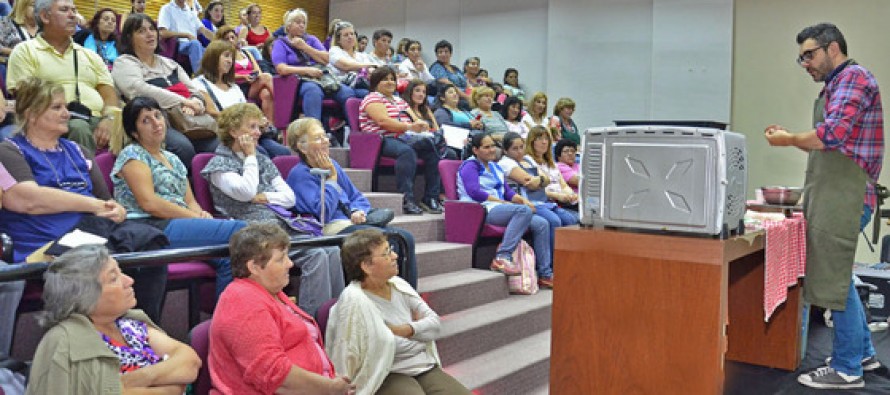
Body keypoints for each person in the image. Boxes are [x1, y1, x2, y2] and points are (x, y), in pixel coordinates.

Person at [0, 77, 166, 358]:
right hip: (45, 245)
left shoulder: (78, 151)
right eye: (56, 107)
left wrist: (116, 210)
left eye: (65, 106)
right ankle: (103, 354)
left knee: (151, 246)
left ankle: (139, 341)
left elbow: (107, 202)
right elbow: (26, 199)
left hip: (93, 232)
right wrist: (93, 205)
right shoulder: (8, 151)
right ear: (31, 114)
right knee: (102, 263)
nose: (66, 113)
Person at [764, 23, 883, 390]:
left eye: (809, 55)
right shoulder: (836, 85)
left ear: (833, 49)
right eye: (801, 57)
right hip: (836, 195)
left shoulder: (853, 78)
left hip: (846, 197)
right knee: (839, 277)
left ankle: (847, 369)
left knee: (833, 281)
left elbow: (832, 135)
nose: (805, 64)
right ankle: (862, 352)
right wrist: (789, 138)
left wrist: (787, 140)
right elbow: (828, 140)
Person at [202, 104, 345, 316]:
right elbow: (246, 192)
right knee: (315, 255)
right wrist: (250, 157)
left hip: (278, 226)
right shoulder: (219, 165)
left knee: (331, 249)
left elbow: (289, 198)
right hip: (251, 233)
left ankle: (336, 315)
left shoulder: (263, 160)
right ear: (233, 131)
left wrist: (265, 196)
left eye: (258, 127)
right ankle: (312, 318)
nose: (258, 132)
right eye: (252, 127)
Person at [110, 96, 247, 297]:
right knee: (241, 230)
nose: (156, 123)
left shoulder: (173, 158)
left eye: (157, 116)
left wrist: (201, 215)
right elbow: (150, 203)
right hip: (149, 226)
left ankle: (226, 314)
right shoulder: (132, 155)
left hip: (177, 221)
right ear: (134, 132)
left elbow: (189, 201)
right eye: (146, 120)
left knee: (230, 259)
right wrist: (195, 218)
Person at [26, 245, 201, 394]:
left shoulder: (131, 325)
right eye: (114, 278)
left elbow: (190, 362)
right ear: (86, 295)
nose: (129, 280)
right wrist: (170, 385)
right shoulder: (64, 342)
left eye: (121, 272)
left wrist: (133, 381)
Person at [209, 223, 357, 395]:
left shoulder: (273, 292)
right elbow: (275, 377)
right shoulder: (241, 301)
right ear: (254, 267)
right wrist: (330, 387)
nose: (290, 263)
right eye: (281, 259)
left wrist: (330, 379)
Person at [326, 228, 472, 395]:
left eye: (391, 250)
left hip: (420, 364)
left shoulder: (399, 285)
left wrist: (404, 330)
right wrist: (419, 335)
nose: (395, 256)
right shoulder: (353, 301)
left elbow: (435, 325)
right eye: (386, 253)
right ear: (366, 266)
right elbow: (382, 346)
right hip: (386, 371)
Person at [286, 117, 419, 288]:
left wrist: (357, 210)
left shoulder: (332, 165)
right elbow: (322, 213)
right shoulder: (299, 175)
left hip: (349, 222)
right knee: (387, 242)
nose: (326, 141)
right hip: (328, 229)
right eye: (318, 138)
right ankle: (381, 292)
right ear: (302, 147)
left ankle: (406, 294)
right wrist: (332, 180)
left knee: (405, 238)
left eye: (325, 136)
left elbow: (356, 196)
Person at [6, 0, 120, 153]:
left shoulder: (90, 55)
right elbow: (25, 97)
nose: (73, 15)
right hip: (54, 120)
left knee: (136, 125)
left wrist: (110, 119)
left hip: (96, 118)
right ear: (45, 16)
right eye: (65, 10)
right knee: (78, 127)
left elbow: (109, 94)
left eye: (74, 10)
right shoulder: (25, 51)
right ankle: (84, 169)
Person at [113, 13, 218, 172]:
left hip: (188, 118)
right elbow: (138, 90)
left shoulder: (170, 63)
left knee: (218, 145)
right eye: (141, 31)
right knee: (183, 148)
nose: (150, 34)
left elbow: (194, 90)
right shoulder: (124, 62)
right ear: (129, 38)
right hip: (155, 121)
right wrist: (183, 101)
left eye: (152, 29)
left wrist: (196, 103)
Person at [458, 133, 552, 287]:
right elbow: (474, 192)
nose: (491, 150)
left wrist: (524, 201)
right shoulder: (470, 166)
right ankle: (502, 257)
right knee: (523, 211)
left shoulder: (494, 166)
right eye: (486, 147)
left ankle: (545, 274)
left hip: (499, 207)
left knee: (541, 223)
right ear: (475, 150)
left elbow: (508, 192)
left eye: (492, 146)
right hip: (481, 209)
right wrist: (503, 202)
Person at [359, 66, 442, 215]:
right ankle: (407, 199)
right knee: (407, 152)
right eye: (385, 79)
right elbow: (383, 121)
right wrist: (409, 127)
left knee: (433, 151)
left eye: (392, 79)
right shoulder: (372, 98)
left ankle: (430, 197)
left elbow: (415, 119)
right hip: (381, 139)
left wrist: (422, 125)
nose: (390, 82)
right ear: (376, 82)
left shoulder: (399, 100)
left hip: (404, 136)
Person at [194, 40, 288, 157]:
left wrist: (259, 120)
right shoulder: (199, 83)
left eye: (231, 58)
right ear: (213, 57)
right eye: (226, 56)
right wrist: (247, 122)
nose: (230, 61)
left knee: (283, 152)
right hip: (227, 134)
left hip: (248, 131)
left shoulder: (233, 86)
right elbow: (213, 113)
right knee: (262, 154)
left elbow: (247, 109)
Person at [271, 8, 361, 121]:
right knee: (313, 91)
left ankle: (350, 127)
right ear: (288, 26)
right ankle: (313, 128)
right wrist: (307, 70)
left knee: (347, 93)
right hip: (299, 80)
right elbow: (281, 69)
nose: (302, 25)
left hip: (322, 78)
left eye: (304, 23)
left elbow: (326, 59)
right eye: (298, 22)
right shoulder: (280, 43)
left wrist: (305, 47)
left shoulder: (311, 40)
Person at [216, 26, 275, 123]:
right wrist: (243, 76)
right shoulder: (223, 56)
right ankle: (282, 101)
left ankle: (270, 125)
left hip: (252, 83)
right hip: (238, 86)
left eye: (232, 37)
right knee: (267, 77)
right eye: (227, 39)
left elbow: (258, 70)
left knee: (266, 94)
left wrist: (254, 76)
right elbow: (224, 74)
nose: (231, 40)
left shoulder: (245, 52)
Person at [157, 0, 213, 73]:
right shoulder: (167, 9)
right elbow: (162, 32)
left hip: (194, 44)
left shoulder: (190, 11)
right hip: (178, 44)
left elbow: (203, 30)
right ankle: (200, 76)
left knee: (213, 51)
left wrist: (219, 40)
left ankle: (214, 78)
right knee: (195, 44)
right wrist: (186, 35)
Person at [326, 20, 373, 97]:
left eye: (352, 34)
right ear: (338, 40)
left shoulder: (362, 55)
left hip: (360, 85)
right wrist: (370, 65)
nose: (350, 37)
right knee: (363, 94)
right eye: (346, 35)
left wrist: (371, 71)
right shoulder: (334, 51)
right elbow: (346, 66)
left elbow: (370, 70)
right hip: (340, 84)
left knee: (378, 93)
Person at [0, 0, 37, 77]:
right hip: (15, 71)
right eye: (33, 5)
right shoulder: (5, 24)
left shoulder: (47, 26)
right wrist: (19, 53)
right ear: (22, 6)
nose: (38, 8)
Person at [429, 40, 470, 106]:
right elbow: (450, 85)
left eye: (446, 51)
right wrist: (467, 97)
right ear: (436, 55)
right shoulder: (436, 67)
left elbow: (467, 83)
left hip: (465, 96)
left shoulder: (455, 68)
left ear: (451, 54)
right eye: (440, 52)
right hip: (452, 98)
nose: (443, 54)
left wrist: (472, 95)